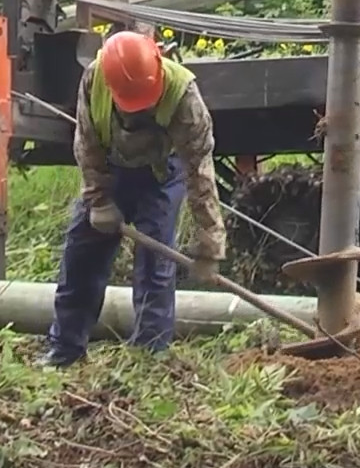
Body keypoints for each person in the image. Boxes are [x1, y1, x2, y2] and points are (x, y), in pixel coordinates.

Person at [43, 30, 228, 366]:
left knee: (156, 263)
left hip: (160, 175)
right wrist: (99, 200)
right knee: (80, 258)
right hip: (109, 170)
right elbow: (86, 143)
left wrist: (210, 240)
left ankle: (149, 356)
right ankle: (65, 350)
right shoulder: (94, 80)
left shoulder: (183, 93)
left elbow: (199, 168)